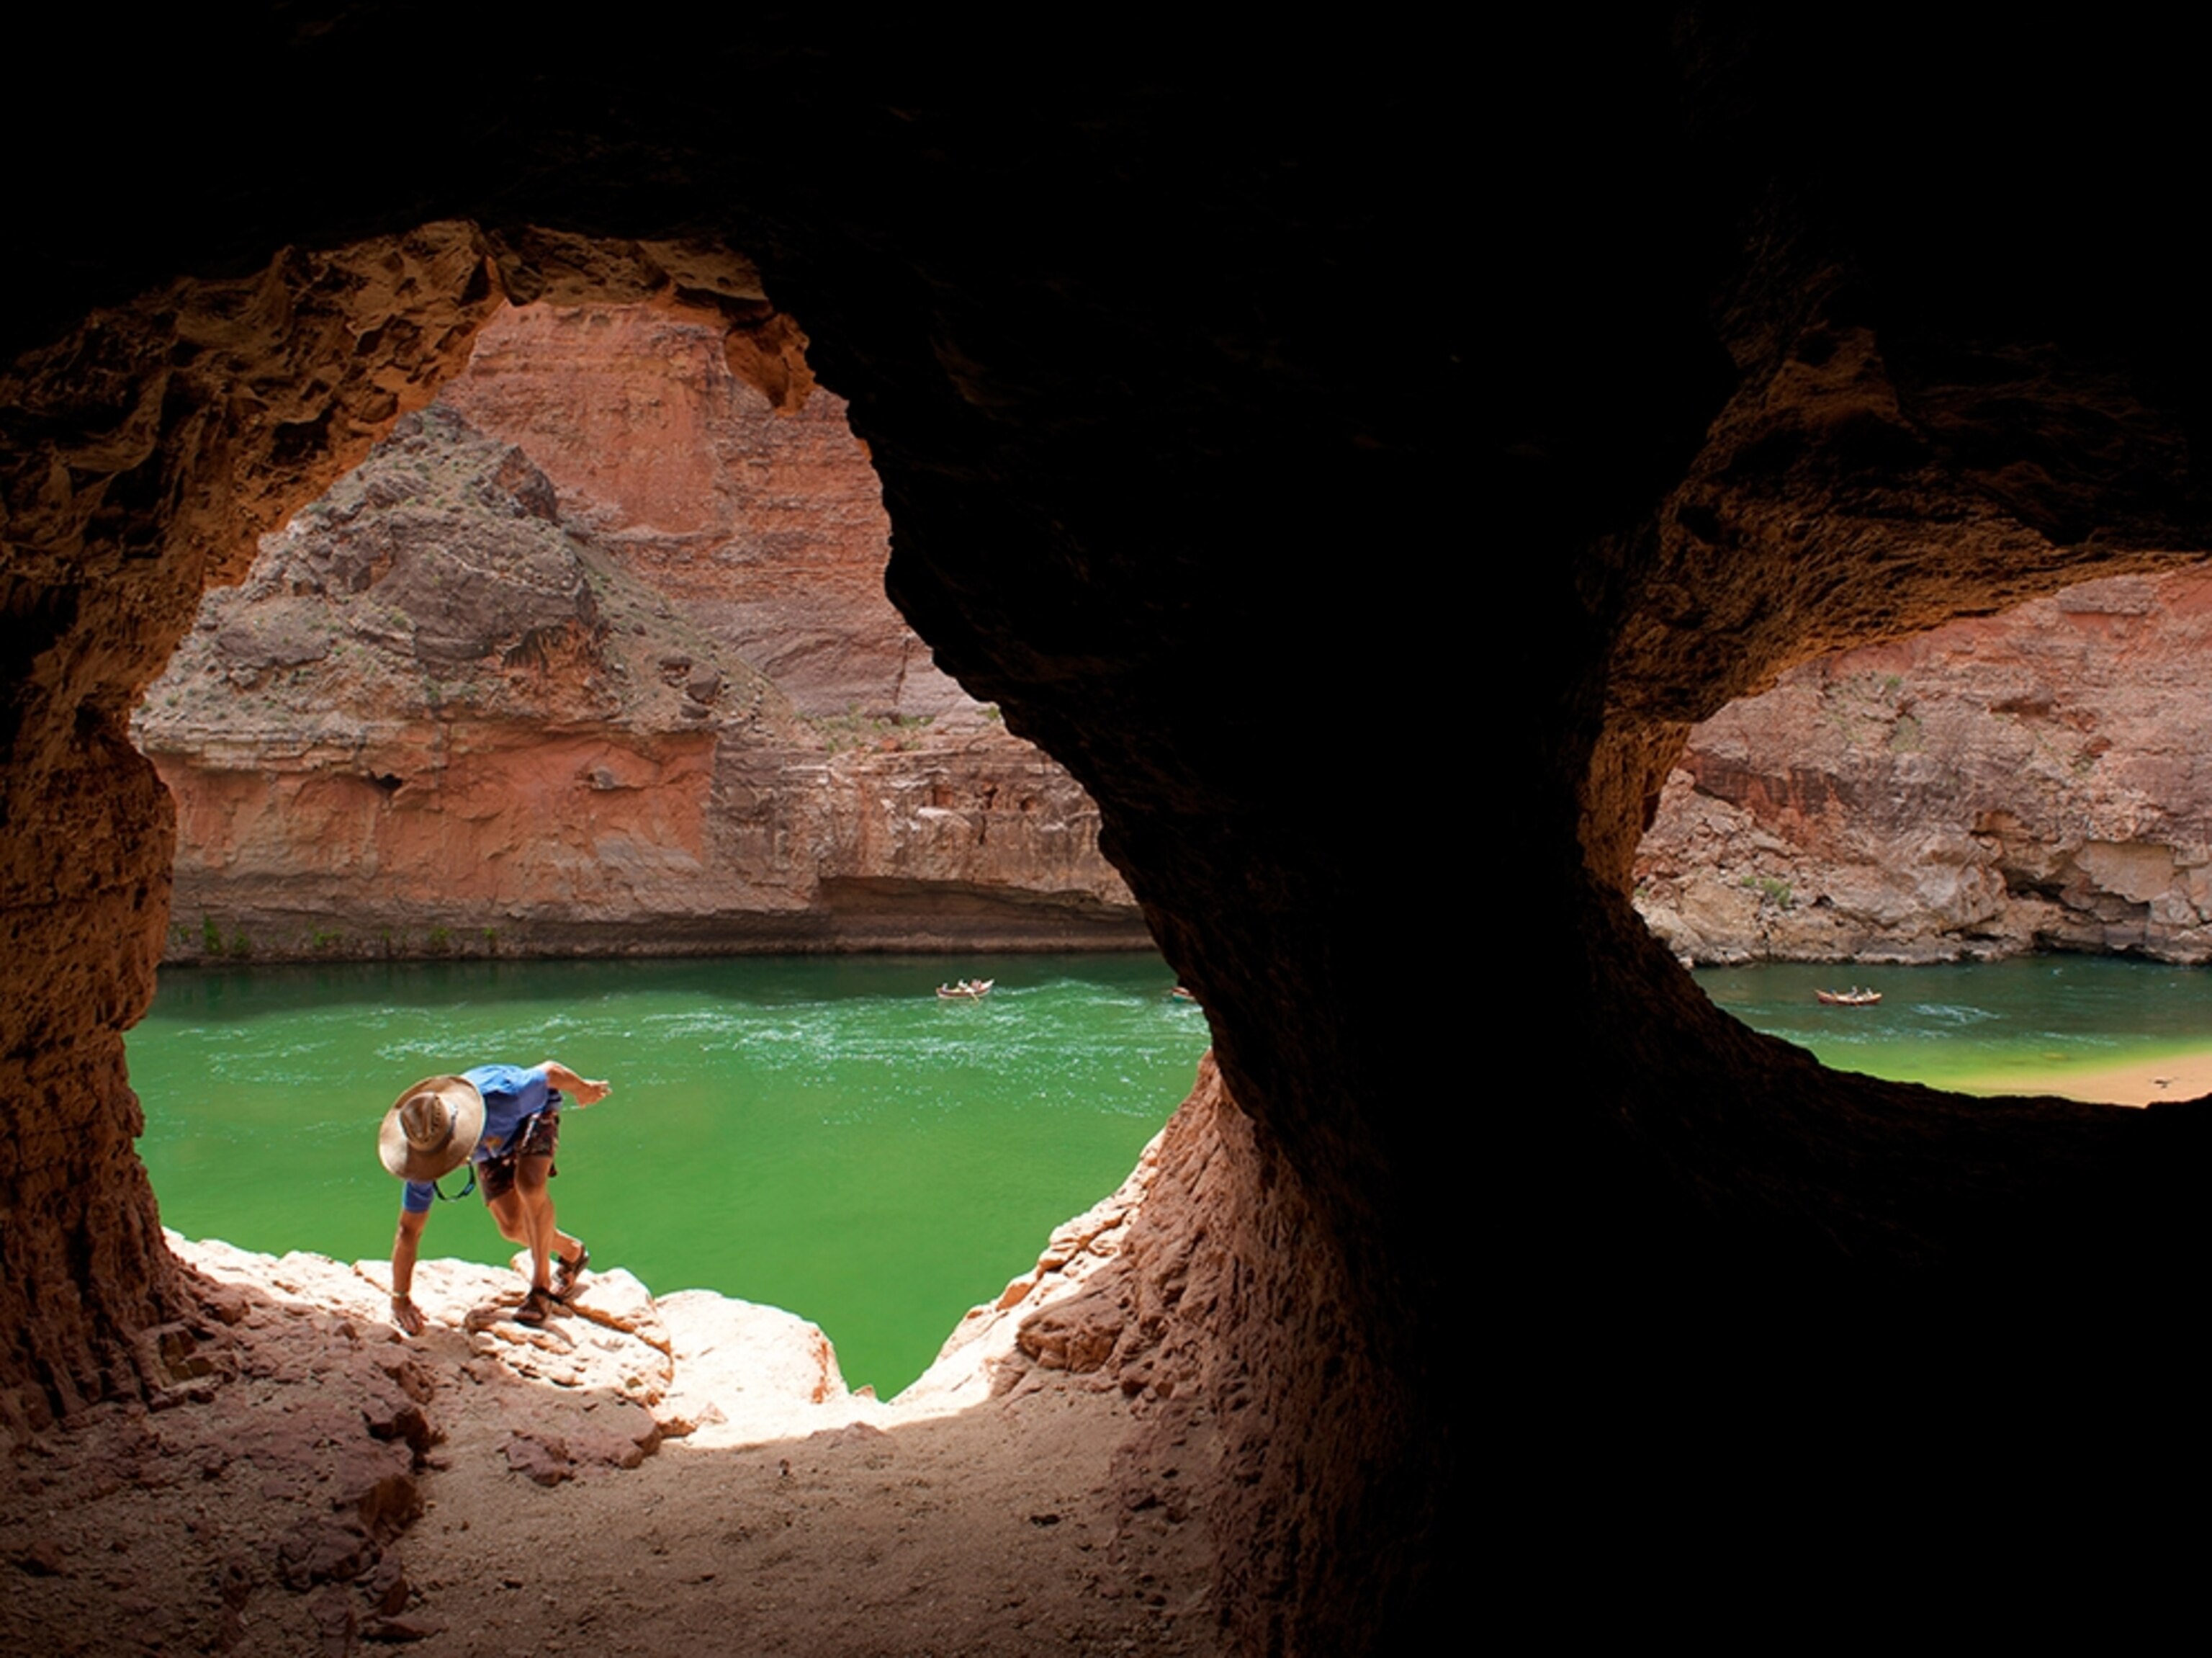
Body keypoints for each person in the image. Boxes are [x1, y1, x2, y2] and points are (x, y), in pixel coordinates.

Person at [378, 1060, 611, 1333]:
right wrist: (400, 1298)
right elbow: (409, 1229)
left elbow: (550, 1072)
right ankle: (572, 1252)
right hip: (492, 1144)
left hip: (532, 1115)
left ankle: (540, 1290)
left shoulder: (505, 1095)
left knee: (530, 1185)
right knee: (512, 1227)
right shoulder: (422, 1154)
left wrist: (583, 1088)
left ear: (456, 1136)